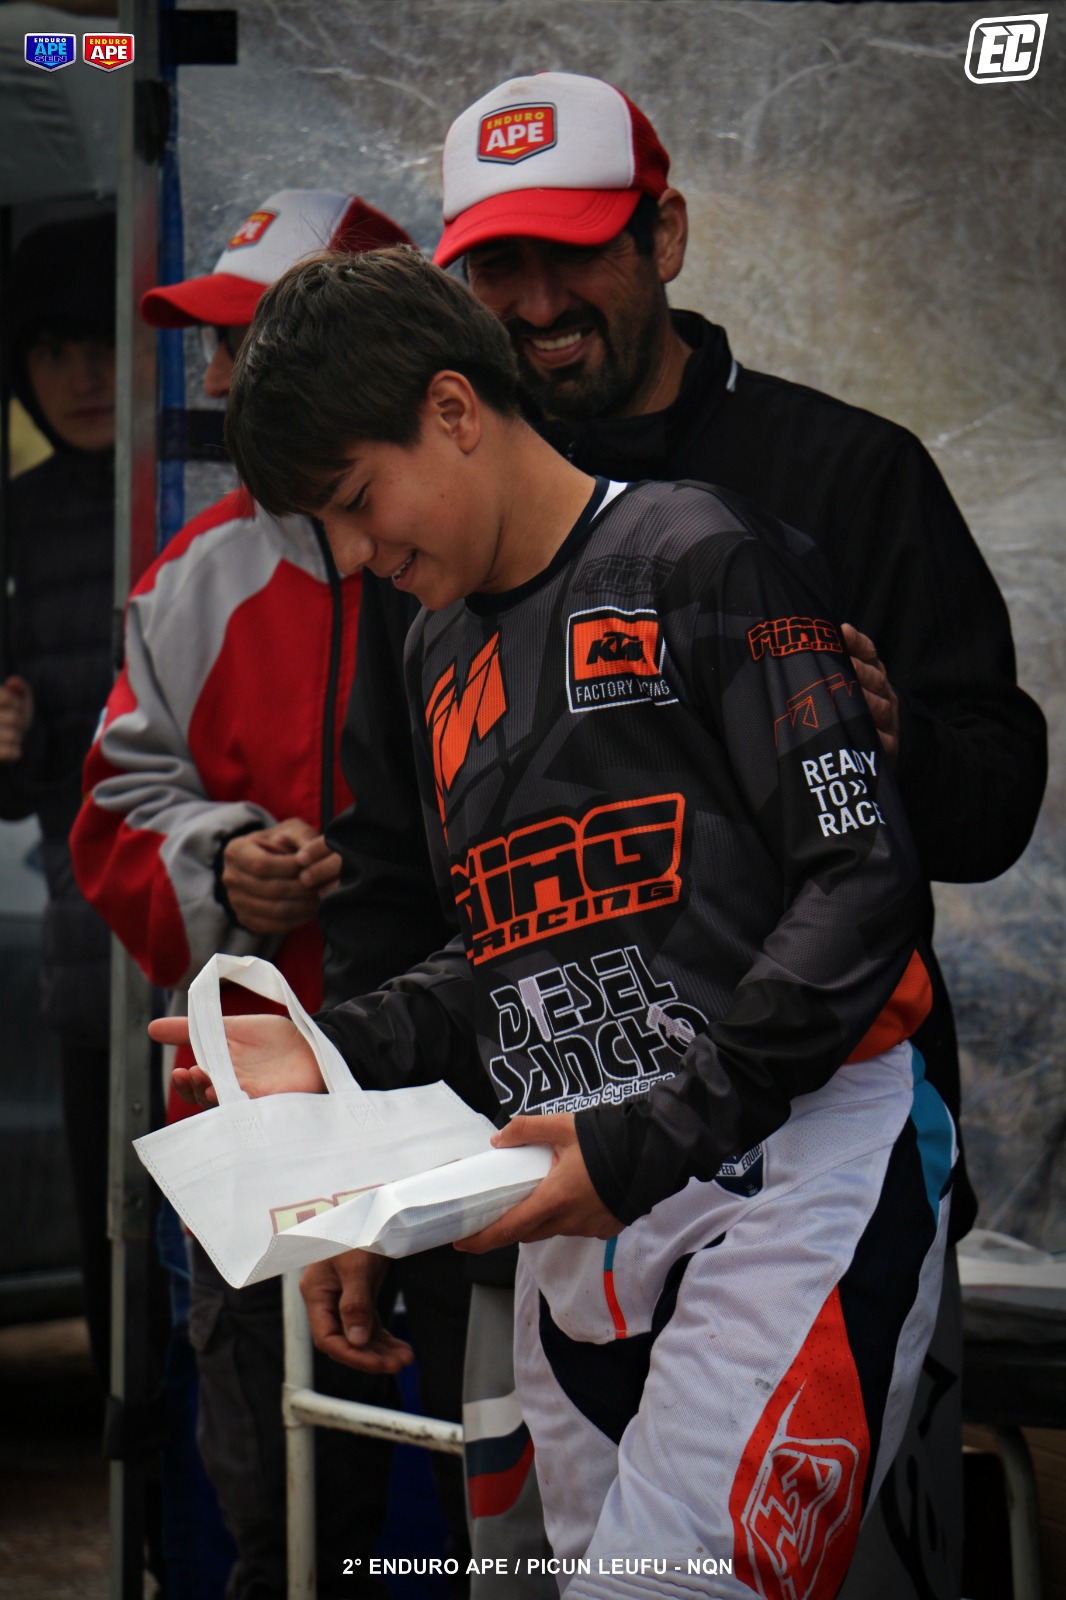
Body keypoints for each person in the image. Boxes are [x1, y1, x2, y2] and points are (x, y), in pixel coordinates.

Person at [306, 71, 1048, 1600]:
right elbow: (399, 892)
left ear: (665, 238)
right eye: (499, 266)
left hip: (813, 1175)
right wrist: (366, 1173)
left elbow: (987, 806)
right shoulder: (432, 565)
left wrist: (876, 737)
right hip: (540, 1195)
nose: (537, 301)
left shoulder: (839, 473)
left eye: (575, 249)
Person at [155, 244, 959, 1600]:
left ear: (453, 409)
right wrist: (334, 1055)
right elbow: (516, 950)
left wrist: (647, 1136)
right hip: (578, 1226)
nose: (356, 555)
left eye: (355, 500)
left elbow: (861, 880)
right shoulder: (433, 646)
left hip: (791, 1188)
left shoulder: (706, 556)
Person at [69, 190, 473, 1600]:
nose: (230, 376)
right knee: (284, 1509)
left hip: (470, 1099)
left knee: (496, 1472)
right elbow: (114, 809)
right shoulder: (194, 577)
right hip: (257, 1106)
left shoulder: (476, 554)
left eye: (254, 337)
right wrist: (225, 857)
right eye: (222, 344)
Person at [0, 212, 122, 1391]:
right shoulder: (16, 526)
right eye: (51, 349)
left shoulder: (215, 492)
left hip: (246, 946)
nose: (83, 374)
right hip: (88, 956)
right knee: (118, 1279)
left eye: (104, 342)